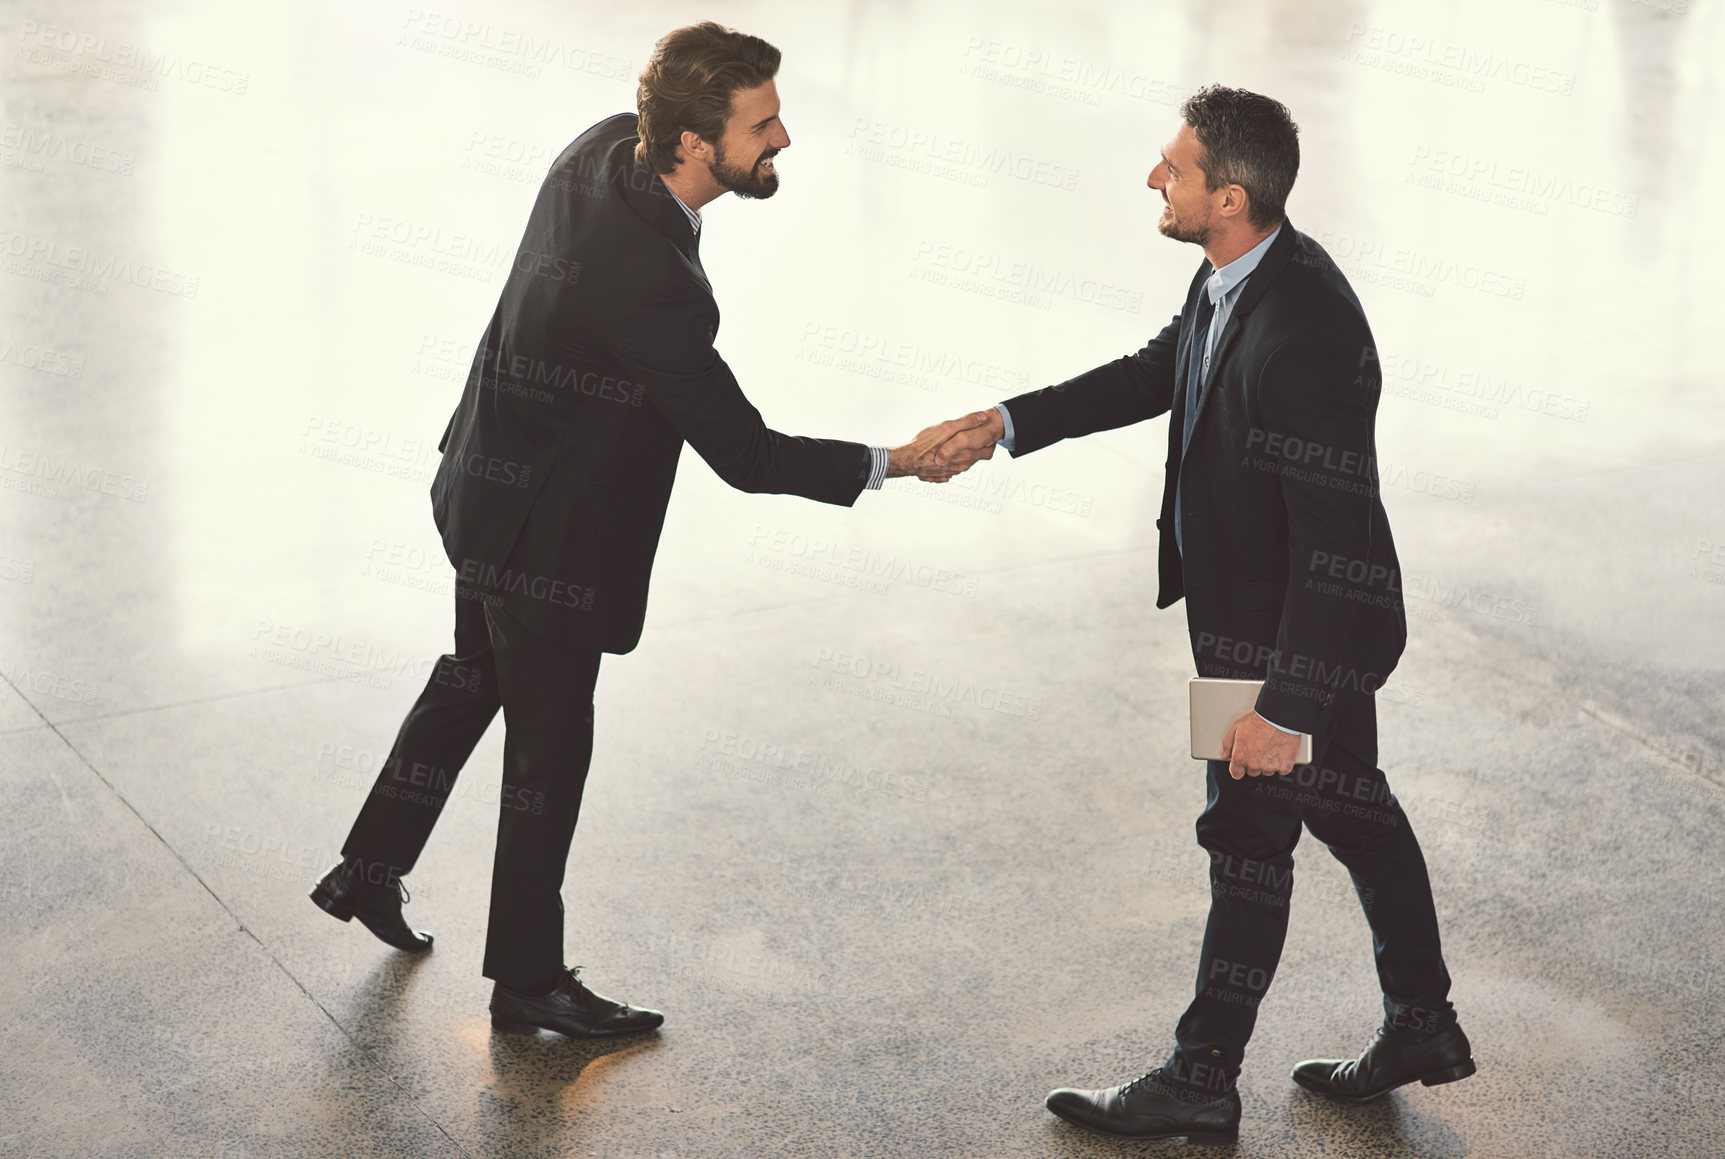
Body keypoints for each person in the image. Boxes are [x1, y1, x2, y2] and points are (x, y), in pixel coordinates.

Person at [310, 21, 982, 1041]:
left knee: (471, 677)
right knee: (548, 758)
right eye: (762, 125)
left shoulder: (601, 146)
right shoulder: (654, 289)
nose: (785, 139)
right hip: (547, 552)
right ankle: (527, 981)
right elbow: (747, 455)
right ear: (691, 142)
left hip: (486, 489)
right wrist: (897, 459)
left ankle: (367, 868)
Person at [932, 85, 1473, 1142]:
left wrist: (1281, 704)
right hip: (1262, 623)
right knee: (1354, 806)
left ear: (1228, 195)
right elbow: (1158, 368)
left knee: (1247, 837)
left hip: (1289, 640)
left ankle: (1201, 1076)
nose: (1153, 178)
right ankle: (1423, 1022)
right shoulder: (1234, 273)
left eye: (1171, 168)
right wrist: (1005, 422)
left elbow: (1337, 541)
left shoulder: (1307, 330)